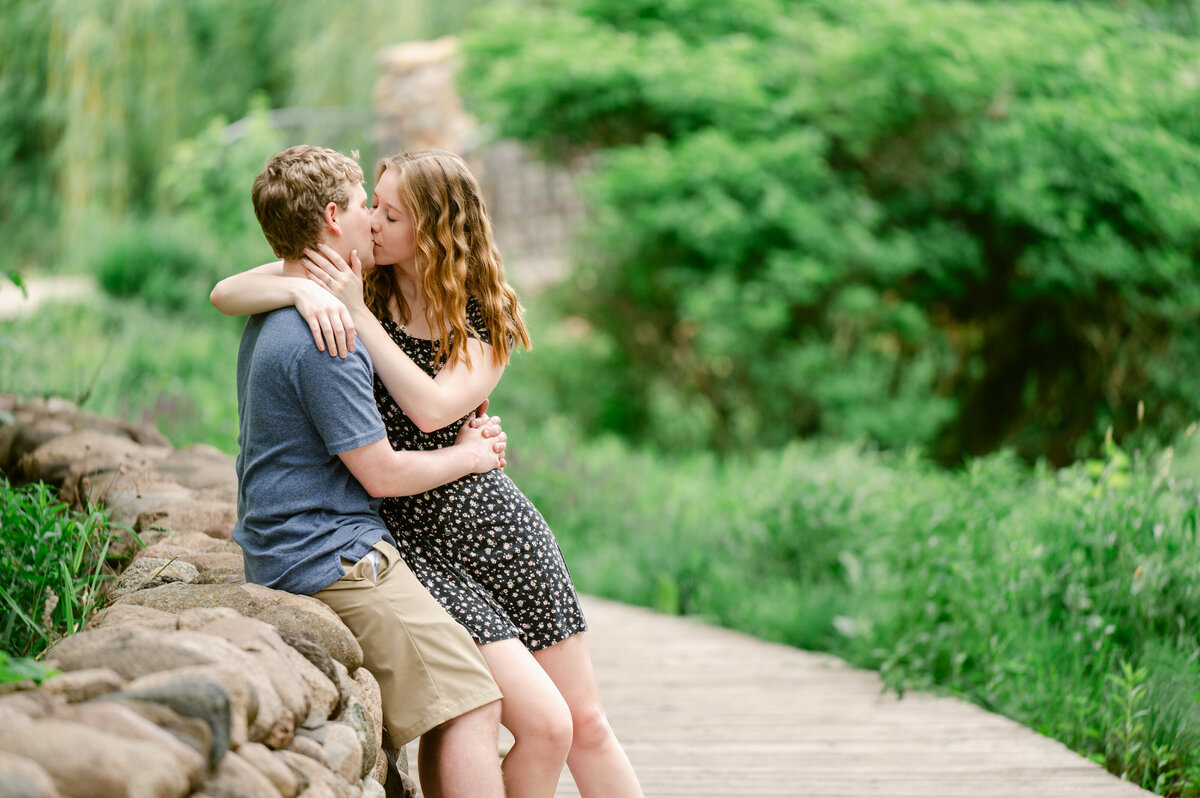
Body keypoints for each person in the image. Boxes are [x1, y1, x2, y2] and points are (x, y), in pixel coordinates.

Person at [211, 149, 644, 798]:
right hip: (406, 539)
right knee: (505, 712)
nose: (376, 223)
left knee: (583, 722)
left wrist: (354, 313)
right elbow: (227, 291)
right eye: (372, 207)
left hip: (492, 531)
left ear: (433, 228)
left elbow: (434, 405)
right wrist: (302, 287)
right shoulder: (355, 279)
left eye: (391, 213)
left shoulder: (478, 313)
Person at [224, 144, 508, 798]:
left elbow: (225, 290)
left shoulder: (287, 301)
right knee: (473, 704)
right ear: (332, 218)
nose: (372, 220)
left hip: (293, 546)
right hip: (329, 557)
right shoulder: (327, 331)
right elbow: (379, 474)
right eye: (363, 206)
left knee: (461, 701)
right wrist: (470, 455)